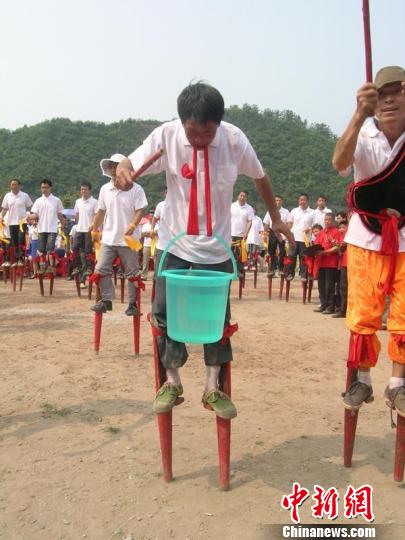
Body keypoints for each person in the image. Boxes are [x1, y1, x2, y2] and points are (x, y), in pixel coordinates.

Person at [115, 82, 294, 419]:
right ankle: (172, 381)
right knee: (164, 316)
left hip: (216, 249)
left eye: (206, 133)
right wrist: (124, 170)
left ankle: (213, 388)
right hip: (174, 246)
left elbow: (260, 177)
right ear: (183, 123)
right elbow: (130, 161)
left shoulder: (234, 140)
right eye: (192, 132)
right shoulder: (167, 135)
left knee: (217, 320)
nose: (198, 139)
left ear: (218, 124)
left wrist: (275, 218)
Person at [332, 65, 405, 415]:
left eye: (397, 91)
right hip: (365, 238)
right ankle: (362, 379)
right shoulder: (362, 135)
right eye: (382, 93)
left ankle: (398, 385)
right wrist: (358, 115)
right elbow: (339, 163)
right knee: (363, 313)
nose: (389, 99)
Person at [90, 154, 147, 316]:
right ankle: (106, 300)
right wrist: (94, 229)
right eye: (113, 166)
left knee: (132, 274)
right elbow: (100, 212)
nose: (115, 169)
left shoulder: (136, 189)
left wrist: (133, 225)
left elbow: (140, 210)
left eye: (118, 165)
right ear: (109, 169)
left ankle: (132, 304)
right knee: (100, 269)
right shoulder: (105, 189)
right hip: (108, 238)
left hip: (128, 240)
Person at [29, 179, 65, 274]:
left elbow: (60, 214)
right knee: (41, 249)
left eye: (46, 187)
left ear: (50, 188)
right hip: (41, 229)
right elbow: (35, 215)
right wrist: (28, 217)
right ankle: (43, 267)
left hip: (52, 229)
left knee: (50, 248)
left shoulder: (56, 200)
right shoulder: (38, 201)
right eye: (42, 187)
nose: (44, 189)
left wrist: (63, 222)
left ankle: (50, 266)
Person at [0, 178, 33, 266]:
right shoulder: (7, 196)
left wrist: (30, 217)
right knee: (14, 241)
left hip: (22, 222)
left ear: (19, 185)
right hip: (11, 223)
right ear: (10, 186)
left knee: (21, 240)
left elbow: (30, 207)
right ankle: (15, 260)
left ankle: (21, 259)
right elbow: (5, 209)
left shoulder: (24, 195)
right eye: (12, 184)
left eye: (16, 184)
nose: (14, 186)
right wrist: (1, 217)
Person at [313, 212, 340, 314]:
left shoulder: (336, 232)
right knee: (321, 285)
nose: (327, 221)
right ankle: (323, 304)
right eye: (326, 219)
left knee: (330, 285)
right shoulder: (322, 232)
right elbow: (316, 244)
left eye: (329, 219)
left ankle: (330, 306)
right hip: (321, 262)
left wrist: (324, 252)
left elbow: (337, 247)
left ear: (333, 220)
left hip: (331, 262)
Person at [286, 193, 316, 281]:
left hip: (305, 239)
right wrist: (288, 235)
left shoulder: (312, 212)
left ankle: (304, 275)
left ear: (307, 201)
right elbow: (289, 224)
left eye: (304, 200)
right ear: (298, 201)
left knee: (304, 258)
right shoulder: (294, 211)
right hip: (294, 238)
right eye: (301, 200)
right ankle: (290, 274)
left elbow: (315, 225)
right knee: (291, 256)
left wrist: (310, 228)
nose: (302, 202)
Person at [72, 181, 98, 280]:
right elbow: (77, 214)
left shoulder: (94, 202)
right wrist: (77, 223)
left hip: (89, 229)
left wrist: (93, 225)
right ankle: (77, 267)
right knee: (75, 248)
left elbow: (97, 215)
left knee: (87, 250)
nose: (83, 191)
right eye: (82, 189)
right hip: (79, 228)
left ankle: (89, 268)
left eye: (85, 189)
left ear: (89, 190)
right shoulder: (78, 201)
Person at [263, 194, 290, 276]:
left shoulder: (286, 211)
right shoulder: (270, 211)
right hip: (272, 232)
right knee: (271, 251)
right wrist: (265, 233)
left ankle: (281, 269)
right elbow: (266, 223)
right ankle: (272, 269)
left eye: (279, 200)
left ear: (282, 202)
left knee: (282, 251)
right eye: (276, 200)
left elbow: (289, 223)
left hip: (282, 233)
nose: (277, 202)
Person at [231, 191, 254, 274]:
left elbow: (249, 222)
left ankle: (239, 271)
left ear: (246, 198)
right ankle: (230, 270)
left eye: (244, 196)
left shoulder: (249, 208)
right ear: (238, 196)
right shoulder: (232, 206)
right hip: (230, 234)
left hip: (241, 235)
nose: (242, 197)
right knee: (229, 253)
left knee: (240, 254)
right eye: (241, 195)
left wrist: (246, 233)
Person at [332, 220, 348, 318]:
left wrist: (340, 246)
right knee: (343, 288)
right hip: (344, 263)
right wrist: (339, 247)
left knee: (347, 288)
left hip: (352, 263)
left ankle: (346, 311)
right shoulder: (343, 235)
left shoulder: (351, 232)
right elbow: (341, 250)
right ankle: (343, 310)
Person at [140, 210, 154, 280]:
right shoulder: (145, 225)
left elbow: (158, 234)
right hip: (147, 245)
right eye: (150, 215)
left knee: (156, 262)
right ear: (149, 216)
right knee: (145, 261)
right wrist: (151, 233)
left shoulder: (158, 224)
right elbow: (142, 234)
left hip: (155, 245)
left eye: (153, 215)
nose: (151, 217)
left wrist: (148, 233)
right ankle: (144, 275)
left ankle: (155, 276)